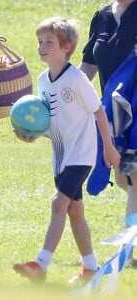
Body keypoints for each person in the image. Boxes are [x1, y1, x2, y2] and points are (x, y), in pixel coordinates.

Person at [12, 16, 121, 284]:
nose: (42, 47)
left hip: (81, 155)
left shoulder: (77, 79)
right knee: (74, 211)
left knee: (58, 202)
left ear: (67, 47)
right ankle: (91, 268)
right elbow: (50, 121)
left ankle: (40, 265)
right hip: (61, 157)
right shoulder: (43, 81)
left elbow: (98, 111)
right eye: (40, 42)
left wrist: (108, 148)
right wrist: (33, 135)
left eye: (49, 42)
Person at [79, 0, 137, 257]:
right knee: (124, 181)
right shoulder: (102, 16)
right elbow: (89, 65)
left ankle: (129, 250)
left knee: (134, 181)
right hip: (114, 116)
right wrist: (68, 95)